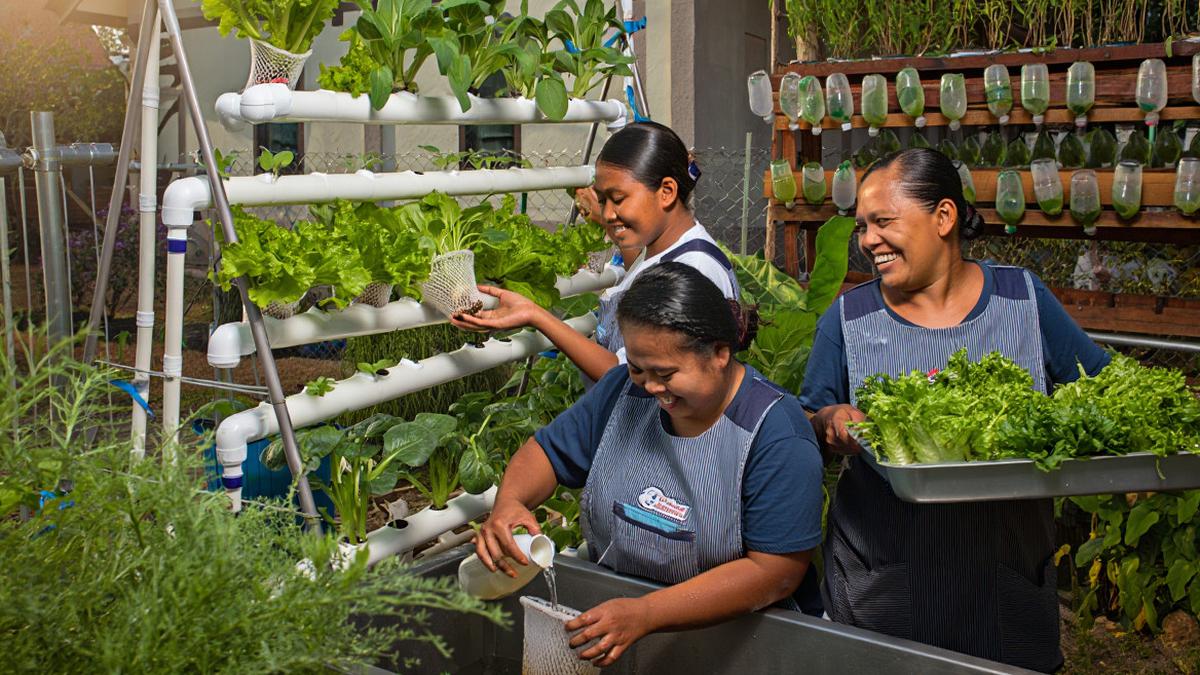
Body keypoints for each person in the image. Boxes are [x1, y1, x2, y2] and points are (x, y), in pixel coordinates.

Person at [800, 148, 1110, 672]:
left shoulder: (1022, 300)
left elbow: (1102, 388)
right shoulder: (849, 317)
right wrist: (827, 422)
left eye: (883, 222)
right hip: (885, 583)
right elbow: (807, 423)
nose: (868, 240)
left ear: (943, 216)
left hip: (1006, 585)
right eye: (862, 227)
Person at [476, 263, 825, 667]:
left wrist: (647, 613)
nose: (651, 387)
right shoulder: (623, 392)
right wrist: (510, 502)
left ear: (719, 353)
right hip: (627, 627)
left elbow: (775, 572)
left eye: (666, 373)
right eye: (638, 368)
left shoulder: (777, 434)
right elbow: (547, 453)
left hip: (746, 649)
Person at [451, 122, 738, 382]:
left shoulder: (694, 268)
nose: (609, 213)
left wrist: (535, 315)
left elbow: (626, 376)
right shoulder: (662, 250)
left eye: (618, 199)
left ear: (666, 191)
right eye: (602, 200)